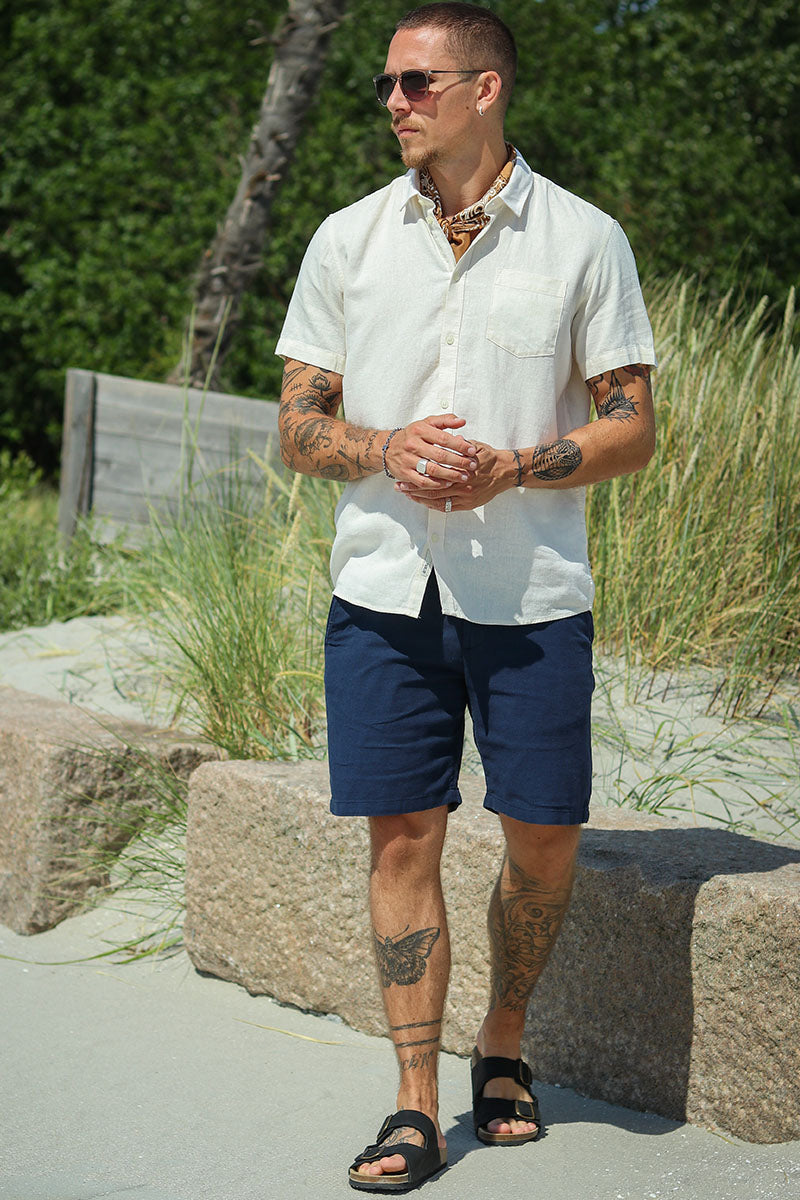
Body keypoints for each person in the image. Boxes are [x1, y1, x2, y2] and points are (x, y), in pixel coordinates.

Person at [275, 2, 656, 1190]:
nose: (392, 102)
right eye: (386, 84)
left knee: (541, 835)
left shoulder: (584, 239)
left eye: (414, 82)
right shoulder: (345, 239)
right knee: (403, 835)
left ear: (483, 89)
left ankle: (503, 1038)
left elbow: (631, 426)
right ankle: (411, 1101)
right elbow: (298, 424)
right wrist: (382, 446)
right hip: (382, 589)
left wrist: (514, 465)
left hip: (531, 593)